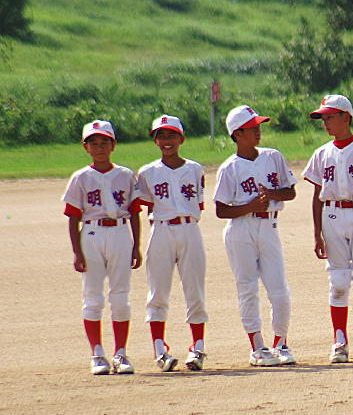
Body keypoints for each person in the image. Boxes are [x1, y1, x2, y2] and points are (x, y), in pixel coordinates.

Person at [303, 95, 353, 364]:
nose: (326, 122)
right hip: (332, 215)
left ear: (346, 117)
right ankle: (339, 341)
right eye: (323, 118)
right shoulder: (321, 153)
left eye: (330, 117)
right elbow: (317, 195)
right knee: (338, 281)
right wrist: (316, 233)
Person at [213, 105, 297, 367]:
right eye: (252, 128)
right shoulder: (229, 168)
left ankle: (280, 343)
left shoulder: (273, 156)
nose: (258, 131)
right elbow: (221, 210)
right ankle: (257, 347)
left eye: (258, 126)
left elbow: (290, 192)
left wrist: (270, 194)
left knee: (279, 290)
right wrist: (250, 206)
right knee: (247, 288)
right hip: (241, 230)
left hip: (269, 227)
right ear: (237, 134)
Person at [62, 120, 143, 375]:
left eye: (104, 142)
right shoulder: (80, 177)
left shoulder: (126, 175)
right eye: (93, 143)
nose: (99, 147)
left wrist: (136, 246)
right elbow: (73, 217)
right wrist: (77, 252)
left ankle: (120, 353)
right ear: (85, 147)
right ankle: (97, 354)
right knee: (92, 296)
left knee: (120, 296)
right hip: (92, 233)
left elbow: (135, 212)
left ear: (113, 145)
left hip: (120, 232)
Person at [137, 115, 209, 371]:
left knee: (195, 290)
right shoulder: (147, 172)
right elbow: (145, 205)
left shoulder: (195, 169)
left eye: (171, 135)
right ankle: (160, 349)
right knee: (157, 292)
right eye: (161, 136)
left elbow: (198, 203)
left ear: (182, 139)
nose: (166, 141)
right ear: (155, 141)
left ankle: (197, 347)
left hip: (190, 229)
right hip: (161, 230)